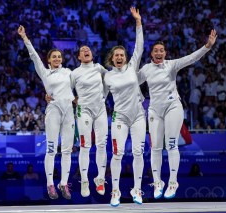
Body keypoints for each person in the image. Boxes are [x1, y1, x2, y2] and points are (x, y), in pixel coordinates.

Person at [137, 29, 217, 199]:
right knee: (155, 147)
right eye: (156, 50)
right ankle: (158, 183)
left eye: (161, 50)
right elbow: (131, 83)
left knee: (171, 144)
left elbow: (191, 58)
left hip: (173, 106)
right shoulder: (146, 69)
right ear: (151, 54)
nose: (159, 53)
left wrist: (207, 47)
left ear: (165, 53)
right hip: (154, 110)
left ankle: (173, 182)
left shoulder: (171, 65)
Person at [18, 25, 75, 200]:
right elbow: (34, 56)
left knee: (67, 151)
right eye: (54, 57)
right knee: (51, 150)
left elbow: (82, 85)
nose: (57, 58)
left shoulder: (69, 72)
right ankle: (50, 184)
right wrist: (25, 38)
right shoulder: (45, 73)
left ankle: (63, 183)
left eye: (59, 56)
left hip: (69, 113)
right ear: (49, 60)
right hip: (53, 112)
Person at [104, 7, 145, 206]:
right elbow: (99, 96)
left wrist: (138, 22)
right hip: (119, 117)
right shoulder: (107, 76)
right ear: (112, 59)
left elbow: (140, 45)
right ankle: (115, 192)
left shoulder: (132, 67)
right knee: (117, 154)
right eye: (116, 55)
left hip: (138, 116)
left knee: (138, 152)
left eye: (122, 55)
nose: (119, 57)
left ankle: (137, 190)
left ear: (126, 57)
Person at [70, 33, 109, 197]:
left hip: (100, 110)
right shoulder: (75, 73)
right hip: (84, 110)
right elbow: (66, 91)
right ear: (79, 56)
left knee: (101, 144)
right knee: (85, 146)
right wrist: (74, 99)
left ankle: (100, 179)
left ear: (92, 54)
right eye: (82, 50)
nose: (86, 50)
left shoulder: (99, 68)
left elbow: (111, 80)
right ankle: (84, 180)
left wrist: (104, 96)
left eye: (88, 49)